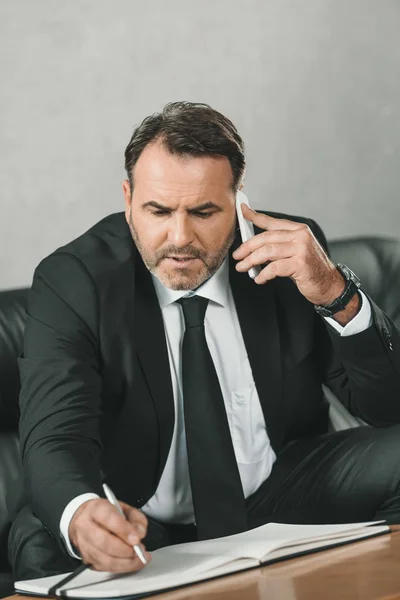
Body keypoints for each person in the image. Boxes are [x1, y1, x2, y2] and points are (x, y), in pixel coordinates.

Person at [9, 101, 400, 581]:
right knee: (45, 537)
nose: (180, 237)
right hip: (139, 515)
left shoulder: (286, 256)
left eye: (203, 211)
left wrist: (336, 294)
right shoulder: (74, 280)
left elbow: (386, 409)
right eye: (158, 210)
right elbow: (56, 436)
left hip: (276, 492)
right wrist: (83, 511)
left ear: (239, 204)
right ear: (128, 199)